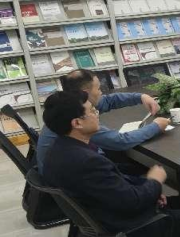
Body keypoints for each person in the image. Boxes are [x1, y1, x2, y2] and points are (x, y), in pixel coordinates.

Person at [41, 91, 180, 237]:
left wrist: (149, 188)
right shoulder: (88, 161)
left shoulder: (57, 150)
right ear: (77, 123)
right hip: (132, 232)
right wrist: (154, 182)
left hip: (105, 219)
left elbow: (114, 185)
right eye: (92, 111)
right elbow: (133, 201)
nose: (97, 114)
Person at [36, 69, 170, 174]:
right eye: (98, 88)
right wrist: (156, 126)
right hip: (73, 180)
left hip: (66, 171)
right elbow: (121, 141)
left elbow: (108, 101)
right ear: (85, 92)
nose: (101, 92)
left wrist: (141, 97)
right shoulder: (78, 121)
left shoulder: (71, 105)